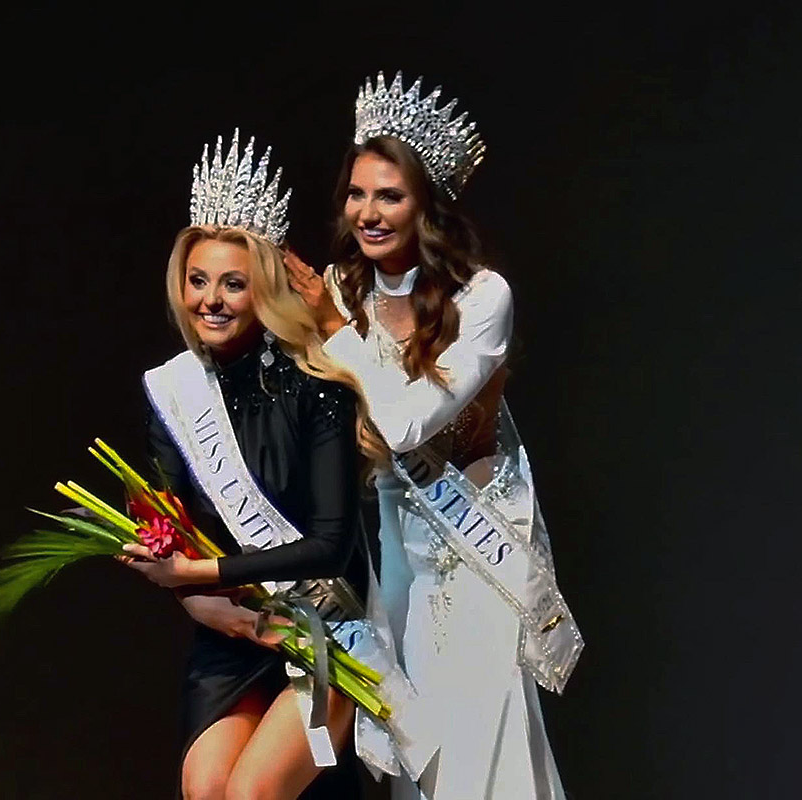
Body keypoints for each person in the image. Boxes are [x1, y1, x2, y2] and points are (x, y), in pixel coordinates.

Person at [284, 73, 583, 799]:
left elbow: (405, 422)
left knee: (484, 740)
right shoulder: (343, 289)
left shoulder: (483, 298)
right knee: (426, 751)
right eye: (357, 194)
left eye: (390, 195)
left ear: (428, 204)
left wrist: (331, 329)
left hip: (473, 548)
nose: (368, 212)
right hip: (397, 553)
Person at [121, 130, 377, 800]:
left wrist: (201, 575)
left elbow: (330, 545)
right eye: (198, 280)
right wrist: (197, 596)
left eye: (233, 283)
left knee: (249, 796)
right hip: (232, 636)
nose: (211, 299)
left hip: (323, 630)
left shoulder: (317, 386)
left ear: (261, 288)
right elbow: (171, 532)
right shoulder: (176, 394)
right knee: (205, 792)